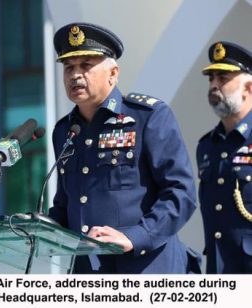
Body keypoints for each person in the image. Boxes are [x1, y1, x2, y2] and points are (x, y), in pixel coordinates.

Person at [48, 22, 198, 273]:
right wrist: (36, 227)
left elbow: (181, 193)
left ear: (113, 73)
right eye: (68, 67)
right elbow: (67, 202)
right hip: (88, 271)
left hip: (146, 267)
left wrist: (137, 235)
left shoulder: (147, 117)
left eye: (86, 65)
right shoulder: (65, 131)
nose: (75, 75)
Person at [197, 41, 252, 273]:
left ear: (248, 88)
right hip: (219, 269)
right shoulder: (207, 145)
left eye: (223, 78)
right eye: (211, 79)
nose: (214, 85)